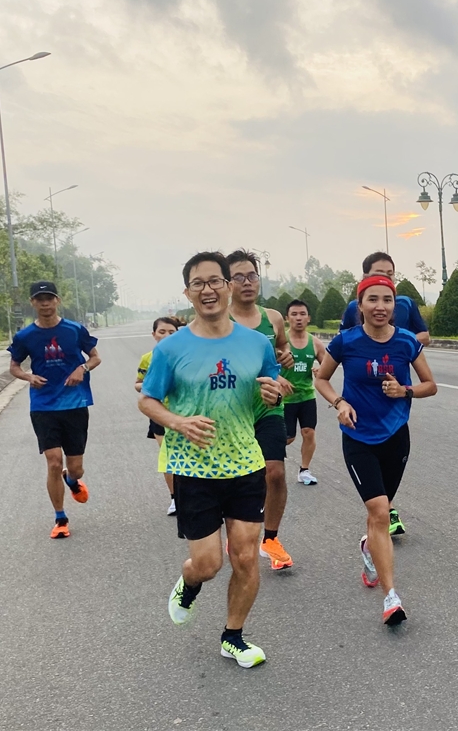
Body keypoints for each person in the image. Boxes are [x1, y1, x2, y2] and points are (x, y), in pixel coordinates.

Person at [139, 251, 283, 668]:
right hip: (193, 469)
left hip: (245, 464)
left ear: (229, 286)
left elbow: (270, 390)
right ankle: (189, 582)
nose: (208, 290)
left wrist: (273, 394)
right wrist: (178, 422)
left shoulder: (256, 343)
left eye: (215, 281)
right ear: (188, 293)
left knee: (245, 556)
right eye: (198, 283)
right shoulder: (172, 348)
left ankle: (233, 636)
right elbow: (148, 400)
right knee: (208, 563)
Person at [315, 275, 437, 626]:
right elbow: (321, 379)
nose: (380, 306)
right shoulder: (346, 341)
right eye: (372, 299)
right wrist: (339, 402)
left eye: (387, 300)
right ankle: (391, 597)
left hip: (396, 436)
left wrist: (405, 391)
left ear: (394, 305)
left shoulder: (406, 341)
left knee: (379, 515)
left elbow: (430, 385)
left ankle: (370, 546)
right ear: (360, 305)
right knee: (380, 511)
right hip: (358, 437)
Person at [8, 281, 101, 539]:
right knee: (53, 462)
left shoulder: (74, 329)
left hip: (75, 404)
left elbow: (95, 357)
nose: (45, 303)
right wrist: (28, 377)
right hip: (43, 405)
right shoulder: (25, 336)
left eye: (49, 298)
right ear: (33, 303)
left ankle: (71, 480)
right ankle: (60, 518)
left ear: (57, 301)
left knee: (76, 468)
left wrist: (82, 368)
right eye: (40, 299)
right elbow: (14, 366)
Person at [226, 249, 297, 571]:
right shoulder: (219, 321)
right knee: (239, 478)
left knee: (275, 472)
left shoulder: (273, 318)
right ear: (227, 283)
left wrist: (285, 358)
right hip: (231, 412)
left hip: (269, 407)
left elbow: (281, 347)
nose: (247, 282)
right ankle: (238, 532)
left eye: (252, 276)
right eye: (238, 277)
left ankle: (270, 539)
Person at [135, 316, 183, 515]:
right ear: (153, 334)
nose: (166, 335)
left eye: (171, 332)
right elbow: (138, 383)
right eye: (162, 332)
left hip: (184, 412)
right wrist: (153, 387)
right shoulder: (148, 358)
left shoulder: (187, 354)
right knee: (169, 455)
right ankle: (175, 499)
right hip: (159, 413)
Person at [339, 252, 430, 347]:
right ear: (365, 276)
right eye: (379, 273)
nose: (386, 277)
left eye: (390, 273)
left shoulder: (406, 303)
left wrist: (398, 343)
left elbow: (425, 337)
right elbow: (341, 340)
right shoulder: (353, 307)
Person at [283, 299, 327, 485]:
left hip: (307, 396)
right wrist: (278, 379)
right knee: (288, 438)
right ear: (287, 318)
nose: (298, 318)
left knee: (308, 432)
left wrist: (320, 371)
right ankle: (266, 462)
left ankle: (304, 470)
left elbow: (327, 366)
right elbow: (266, 366)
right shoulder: (281, 342)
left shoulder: (315, 343)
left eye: (302, 314)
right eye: (294, 314)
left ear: (308, 318)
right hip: (285, 399)